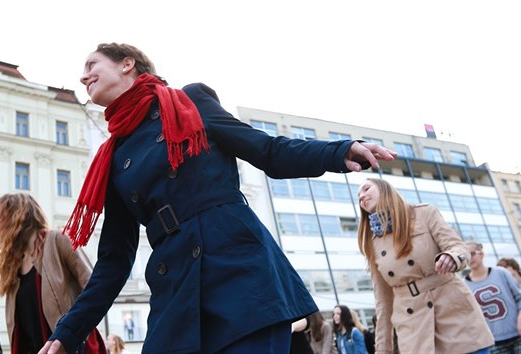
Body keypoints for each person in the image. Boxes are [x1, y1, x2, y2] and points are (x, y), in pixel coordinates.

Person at [39, 42, 397, 354]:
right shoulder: (114, 157)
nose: (83, 77)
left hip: (238, 272)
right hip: (175, 290)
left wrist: (337, 152)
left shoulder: (189, 101)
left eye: (91, 65)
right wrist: (69, 331)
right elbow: (114, 262)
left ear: (126, 63)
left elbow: (267, 151)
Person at [356, 178, 494, 354]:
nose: (361, 196)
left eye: (366, 188)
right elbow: (383, 302)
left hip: (453, 313)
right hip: (413, 328)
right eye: (359, 196)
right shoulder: (372, 243)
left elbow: (458, 247)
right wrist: (383, 349)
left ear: (385, 189)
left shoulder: (424, 213)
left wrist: (452, 257)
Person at [0, 192, 105, 354]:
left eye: (3, 217)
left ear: (19, 216)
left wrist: (73, 331)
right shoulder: (14, 265)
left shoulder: (58, 240)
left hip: (71, 348)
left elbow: (94, 288)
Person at [465, 241, 521, 354]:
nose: (470, 258)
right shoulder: (464, 285)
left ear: (481, 254)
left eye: (472, 253)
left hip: (517, 335)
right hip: (494, 342)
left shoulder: (501, 272)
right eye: (465, 255)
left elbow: (519, 297)